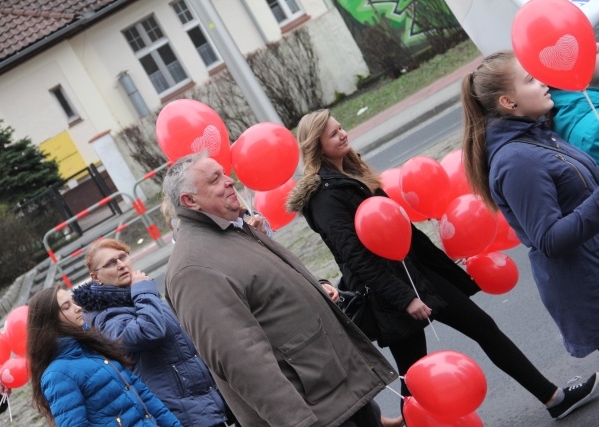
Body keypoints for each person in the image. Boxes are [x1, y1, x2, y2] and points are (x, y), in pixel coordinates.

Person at [286, 108, 599, 421]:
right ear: (316, 145)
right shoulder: (325, 197)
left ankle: (553, 397)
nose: (342, 134)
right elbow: (354, 255)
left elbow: (399, 230)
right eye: (333, 134)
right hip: (388, 293)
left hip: (417, 274)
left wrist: (440, 261)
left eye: (341, 127)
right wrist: (404, 298)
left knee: (483, 328)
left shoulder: (352, 175)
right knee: (415, 374)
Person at [162, 150, 402, 427]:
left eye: (225, 173)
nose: (229, 181)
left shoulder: (234, 229)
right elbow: (242, 361)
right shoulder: (194, 268)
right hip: (314, 412)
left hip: (336, 392)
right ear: (190, 201)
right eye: (215, 179)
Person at [462, 51, 599, 358]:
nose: (543, 83)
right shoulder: (516, 161)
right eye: (530, 79)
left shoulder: (539, 134)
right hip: (588, 282)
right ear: (509, 103)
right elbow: (548, 238)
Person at [73, 237, 234, 427]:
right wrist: (142, 290)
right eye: (110, 263)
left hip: (203, 400)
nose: (121, 265)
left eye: (122, 257)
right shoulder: (104, 315)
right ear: (95, 277)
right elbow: (149, 331)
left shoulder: (137, 295)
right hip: (180, 411)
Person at [26, 286, 182, 427]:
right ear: (49, 320)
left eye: (73, 302)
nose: (78, 308)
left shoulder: (94, 347)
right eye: (67, 307)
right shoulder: (57, 374)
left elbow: (144, 397)